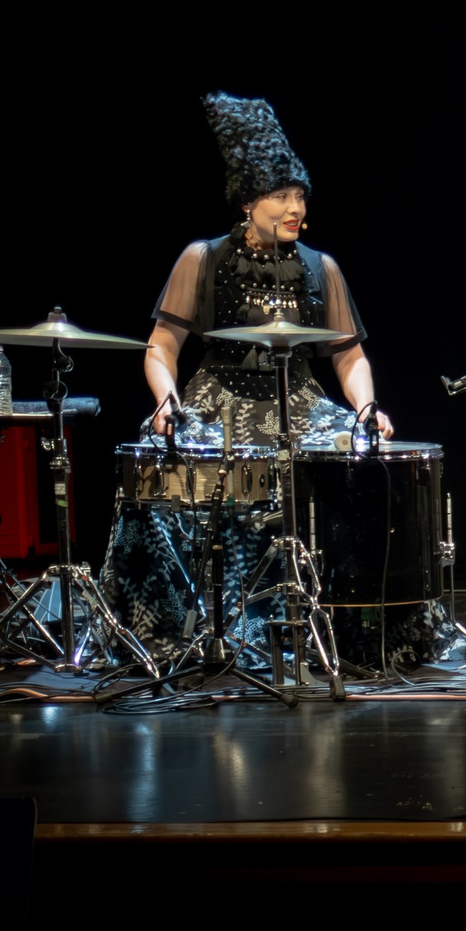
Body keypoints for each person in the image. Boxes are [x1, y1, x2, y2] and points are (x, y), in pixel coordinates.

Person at [103, 95, 397, 662]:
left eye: (300, 195)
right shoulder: (204, 258)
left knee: (363, 462)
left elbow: (348, 356)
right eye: (281, 195)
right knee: (164, 466)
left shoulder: (321, 267)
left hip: (301, 403)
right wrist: (167, 401)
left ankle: (348, 625)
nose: (295, 207)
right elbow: (162, 347)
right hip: (219, 402)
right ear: (246, 202)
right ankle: (183, 626)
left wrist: (366, 408)